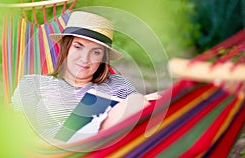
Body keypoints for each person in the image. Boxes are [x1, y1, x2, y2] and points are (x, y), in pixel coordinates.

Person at [11, 11, 146, 141]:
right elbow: (18, 134)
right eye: (78, 47)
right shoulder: (33, 84)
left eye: (96, 52)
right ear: (66, 47)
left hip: (109, 150)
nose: (85, 59)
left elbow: (144, 119)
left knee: (139, 101)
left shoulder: (118, 84)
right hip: (54, 151)